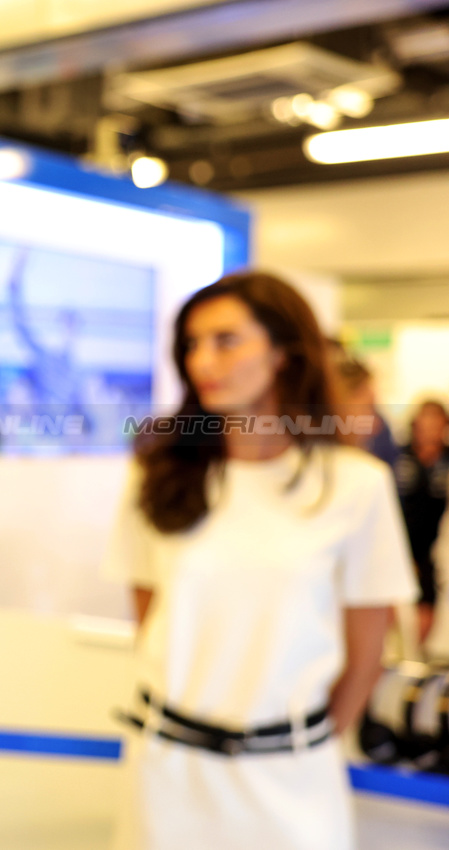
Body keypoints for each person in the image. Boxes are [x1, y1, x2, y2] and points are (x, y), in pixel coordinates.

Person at [104, 272, 416, 850]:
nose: (203, 361)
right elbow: (151, 615)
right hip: (166, 774)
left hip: (291, 781)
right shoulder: (158, 473)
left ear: (283, 353)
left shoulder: (353, 486)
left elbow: (366, 649)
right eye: (191, 345)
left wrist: (297, 740)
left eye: (226, 340)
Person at [395, 400, 449, 645]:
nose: (429, 431)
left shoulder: (445, 461)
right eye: (424, 424)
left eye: (436, 425)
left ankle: (418, 653)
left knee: (427, 605)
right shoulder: (399, 457)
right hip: (397, 545)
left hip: (431, 549)